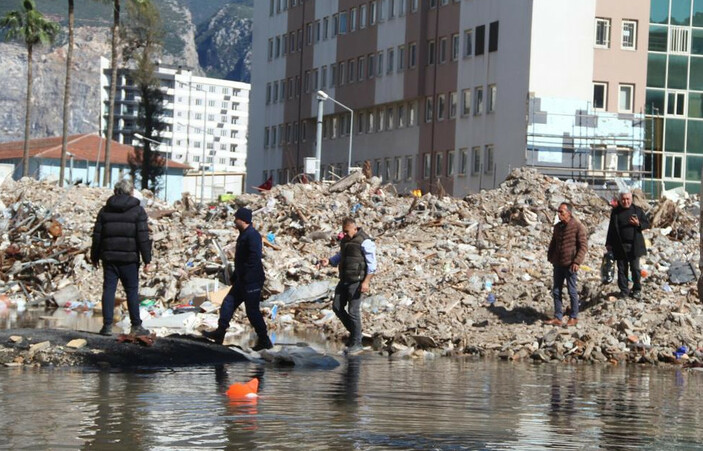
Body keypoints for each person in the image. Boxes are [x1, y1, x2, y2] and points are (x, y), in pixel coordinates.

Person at [202, 207, 273, 350]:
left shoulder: (253, 235)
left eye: (237, 219)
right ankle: (220, 333)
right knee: (228, 302)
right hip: (243, 279)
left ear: (244, 220)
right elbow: (240, 259)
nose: (234, 221)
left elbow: (254, 258)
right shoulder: (243, 235)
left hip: (252, 280)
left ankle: (264, 340)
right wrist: (236, 275)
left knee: (252, 311)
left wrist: (245, 275)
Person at [91, 178, 152, 336]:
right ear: (131, 192)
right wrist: (147, 260)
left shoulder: (105, 211)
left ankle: (107, 326)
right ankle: (136, 326)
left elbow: (97, 235)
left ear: (115, 191)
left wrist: (94, 256)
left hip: (109, 257)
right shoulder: (138, 211)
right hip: (130, 259)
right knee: (131, 291)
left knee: (109, 290)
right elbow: (143, 237)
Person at [319, 217, 377, 355]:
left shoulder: (365, 241)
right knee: (337, 307)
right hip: (344, 279)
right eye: (343, 231)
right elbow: (342, 255)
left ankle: (357, 342)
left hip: (357, 281)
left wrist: (366, 282)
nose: (344, 234)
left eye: (346, 231)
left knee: (353, 311)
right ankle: (356, 334)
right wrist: (330, 261)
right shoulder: (345, 240)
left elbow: (372, 265)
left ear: (354, 228)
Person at [545, 203, 588, 327]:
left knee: (572, 291)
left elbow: (583, 246)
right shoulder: (557, 227)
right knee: (557, 290)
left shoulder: (577, 227)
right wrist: (550, 256)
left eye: (561, 212)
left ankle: (573, 316)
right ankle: (558, 316)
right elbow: (554, 242)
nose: (559, 215)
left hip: (570, 265)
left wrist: (577, 261)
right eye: (558, 212)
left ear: (569, 213)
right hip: (558, 263)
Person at [606, 191, 650, 299]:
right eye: (623, 199)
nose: (625, 201)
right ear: (620, 200)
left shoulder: (637, 211)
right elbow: (611, 228)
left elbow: (646, 224)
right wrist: (608, 243)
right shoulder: (616, 212)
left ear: (631, 199)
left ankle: (636, 289)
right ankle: (624, 291)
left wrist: (638, 224)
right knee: (622, 270)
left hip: (634, 245)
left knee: (635, 269)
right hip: (620, 246)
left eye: (627, 199)